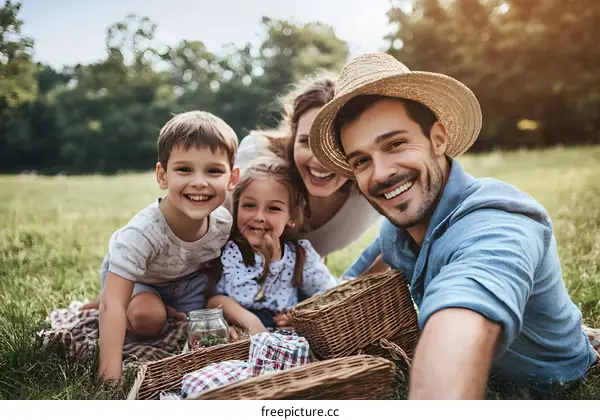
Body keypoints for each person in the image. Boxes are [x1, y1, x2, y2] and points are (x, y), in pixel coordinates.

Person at [308, 52, 597, 399]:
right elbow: (351, 284)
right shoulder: (396, 231)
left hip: (554, 385)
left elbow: (463, 311)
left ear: (439, 139)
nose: (381, 173)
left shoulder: (498, 218)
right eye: (362, 161)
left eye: (396, 143)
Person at [96, 111, 240, 380]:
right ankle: (121, 299)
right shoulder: (142, 233)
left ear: (231, 179)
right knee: (148, 317)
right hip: (141, 279)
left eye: (214, 171)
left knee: (208, 333)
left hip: (187, 282)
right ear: (163, 175)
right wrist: (109, 378)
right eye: (184, 169)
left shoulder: (222, 223)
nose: (199, 181)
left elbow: (219, 271)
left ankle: (168, 308)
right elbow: (113, 304)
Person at [236, 76, 383, 273]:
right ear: (293, 136)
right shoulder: (255, 159)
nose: (320, 159)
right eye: (307, 142)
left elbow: (403, 240)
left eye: (336, 145)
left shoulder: (373, 189)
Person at [206, 157, 337, 334]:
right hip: (241, 331)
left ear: (291, 217)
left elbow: (328, 293)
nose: (259, 216)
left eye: (273, 208)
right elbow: (214, 302)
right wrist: (252, 323)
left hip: (285, 336)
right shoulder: (231, 252)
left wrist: (299, 315)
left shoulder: (300, 255)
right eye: (249, 205)